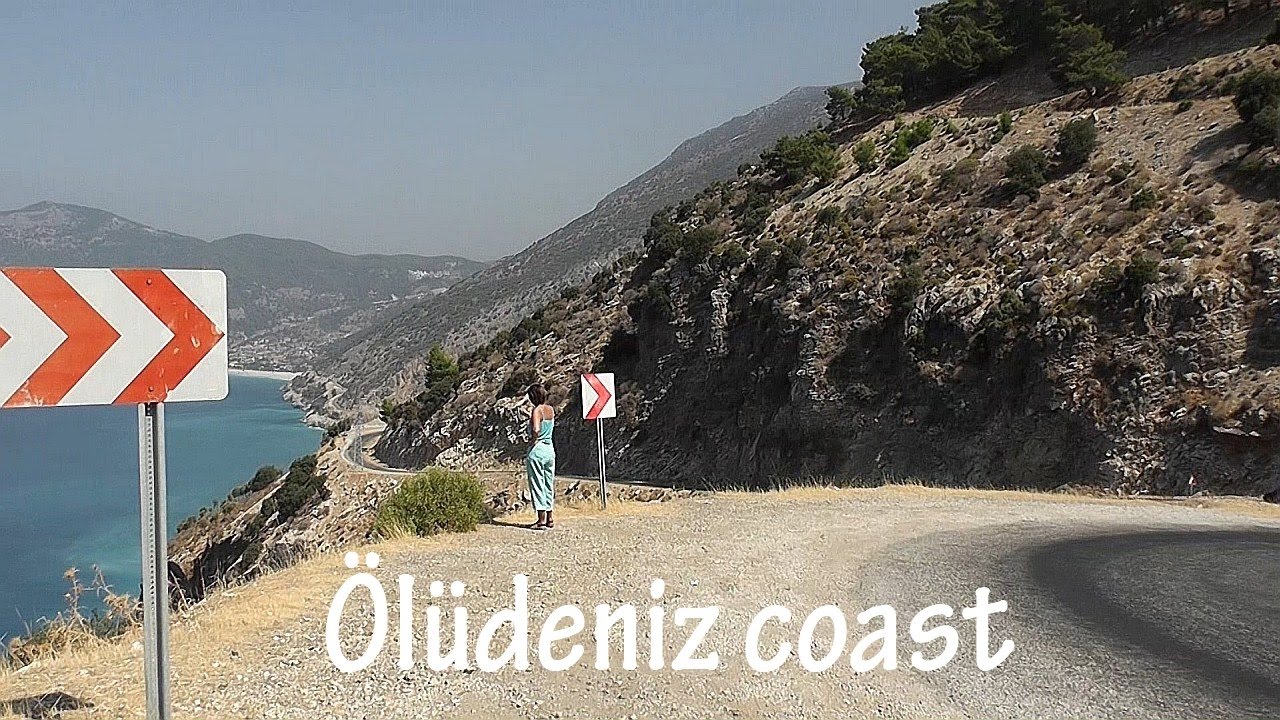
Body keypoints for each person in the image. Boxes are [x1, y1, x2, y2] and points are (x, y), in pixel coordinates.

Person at [524, 382, 556, 530]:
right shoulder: (550, 409)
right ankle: (550, 517)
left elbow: (536, 429)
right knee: (548, 484)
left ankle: (541, 519)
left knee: (537, 484)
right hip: (550, 450)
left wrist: (532, 440)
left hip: (537, 450)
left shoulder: (537, 410)